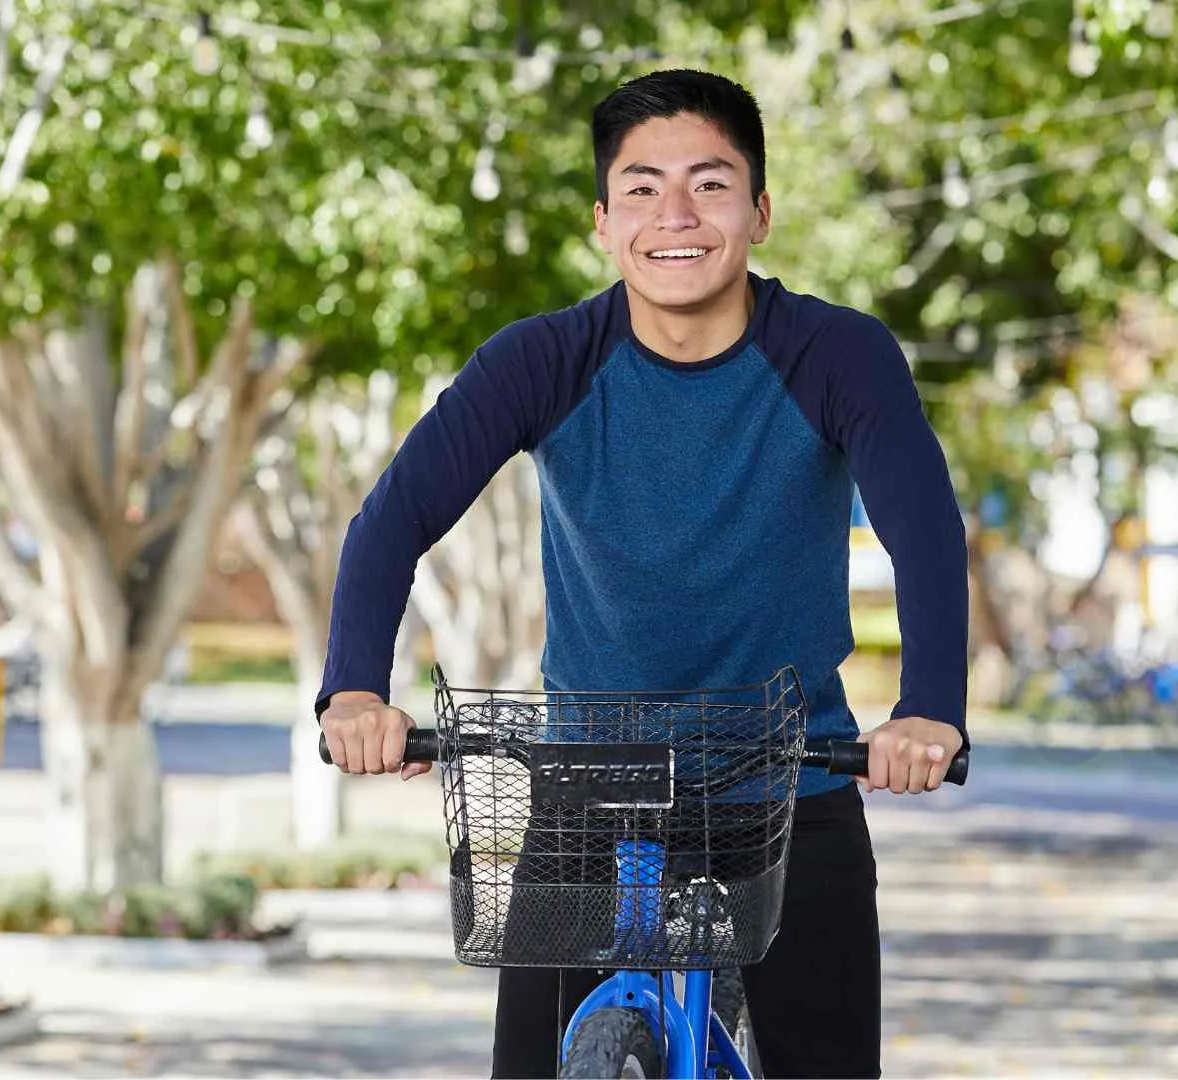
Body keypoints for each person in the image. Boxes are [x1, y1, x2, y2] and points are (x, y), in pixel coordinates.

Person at [316, 70, 969, 1079]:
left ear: (759, 212)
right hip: (589, 788)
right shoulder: (544, 359)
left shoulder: (837, 355)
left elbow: (922, 530)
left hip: (789, 786)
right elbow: (393, 520)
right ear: (604, 222)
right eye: (642, 189)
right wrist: (355, 689)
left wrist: (928, 710)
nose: (676, 217)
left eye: (710, 185)